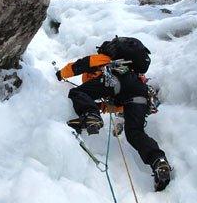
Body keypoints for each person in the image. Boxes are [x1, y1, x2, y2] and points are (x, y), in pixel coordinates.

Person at [55, 36, 171, 191]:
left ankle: (89, 115)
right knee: (134, 132)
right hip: (139, 92)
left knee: (77, 92)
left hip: (116, 82)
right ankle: (158, 160)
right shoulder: (134, 71)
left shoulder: (105, 58)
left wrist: (60, 74)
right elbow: (119, 106)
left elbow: (81, 65)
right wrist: (99, 107)